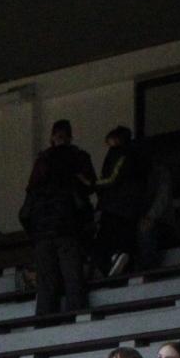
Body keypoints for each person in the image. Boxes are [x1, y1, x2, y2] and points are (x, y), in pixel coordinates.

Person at [21, 119, 95, 315]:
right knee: (72, 277)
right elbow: (90, 185)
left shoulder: (42, 161)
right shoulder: (77, 157)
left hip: (43, 230)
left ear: (52, 137)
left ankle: (46, 325)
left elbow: (29, 199)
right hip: (68, 227)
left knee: (46, 281)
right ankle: (77, 318)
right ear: (69, 137)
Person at [93, 126, 151, 276]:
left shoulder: (120, 153)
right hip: (131, 210)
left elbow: (112, 178)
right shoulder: (140, 156)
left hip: (114, 206)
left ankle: (112, 262)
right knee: (127, 241)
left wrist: (91, 184)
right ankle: (122, 263)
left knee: (104, 242)